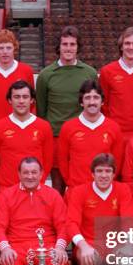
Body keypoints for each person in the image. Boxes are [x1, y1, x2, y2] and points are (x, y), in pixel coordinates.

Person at [66, 153, 133, 265]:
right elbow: (72, 223)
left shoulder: (123, 190)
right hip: (88, 242)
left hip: (114, 243)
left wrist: (127, 244)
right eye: (99, 171)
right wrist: (83, 246)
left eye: (108, 171)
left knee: (129, 259)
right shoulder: (79, 191)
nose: (104, 175)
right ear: (92, 174)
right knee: (89, 259)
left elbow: (128, 219)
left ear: (113, 174)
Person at [36, 25, 97, 193]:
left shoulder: (89, 73)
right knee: (58, 186)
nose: (68, 48)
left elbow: (95, 105)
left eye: (72, 44)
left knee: (82, 185)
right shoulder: (46, 75)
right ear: (59, 47)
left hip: (82, 137)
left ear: (78, 47)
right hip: (56, 137)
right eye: (65, 44)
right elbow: (41, 110)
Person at [0, 81, 53, 190]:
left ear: (32, 100)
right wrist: (2, 183)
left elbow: (48, 161)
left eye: (25, 97)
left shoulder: (44, 127)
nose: (21, 101)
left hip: (35, 189)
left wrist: (38, 182)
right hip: (6, 189)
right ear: (10, 100)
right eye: (17, 97)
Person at [58, 79, 124, 189]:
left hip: (103, 190)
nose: (92, 102)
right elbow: (63, 161)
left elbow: (117, 162)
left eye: (96, 97)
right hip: (77, 190)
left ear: (102, 101)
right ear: (81, 102)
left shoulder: (114, 128)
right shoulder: (68, 127)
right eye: (87, 98)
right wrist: (70, 182)